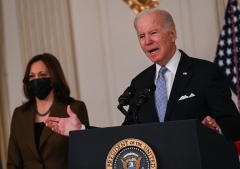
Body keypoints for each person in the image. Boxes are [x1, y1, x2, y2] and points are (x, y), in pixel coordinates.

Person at [45, 8, 240, 141]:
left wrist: (217, 130)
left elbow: (234, 124)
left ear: (172, 34)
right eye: (141, 36)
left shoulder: (205, 73)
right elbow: (126, 136)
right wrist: (81, 130)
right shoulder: (140, 83)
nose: (147, 41)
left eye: (153, 32)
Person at [7, 53, 89, 169]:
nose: (36, 80)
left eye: (42, 75)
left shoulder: (74, 108)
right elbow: (13, 162)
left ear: (54, 78)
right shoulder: (19, 115)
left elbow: (84, 155)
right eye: (32, 76)